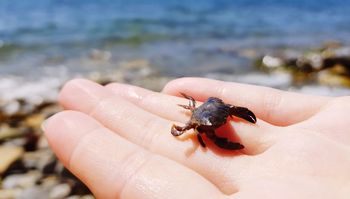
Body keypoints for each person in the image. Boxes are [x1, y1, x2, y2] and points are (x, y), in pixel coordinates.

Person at [42, 77, 350, 199]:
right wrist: (190, 129)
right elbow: (184, 128)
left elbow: (224, 108)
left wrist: (228, 114)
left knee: (214, 118)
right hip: (198, 114)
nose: (224, 122)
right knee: (208, 135)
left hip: (205, 108)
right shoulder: (198, 122)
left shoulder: (218, 108)